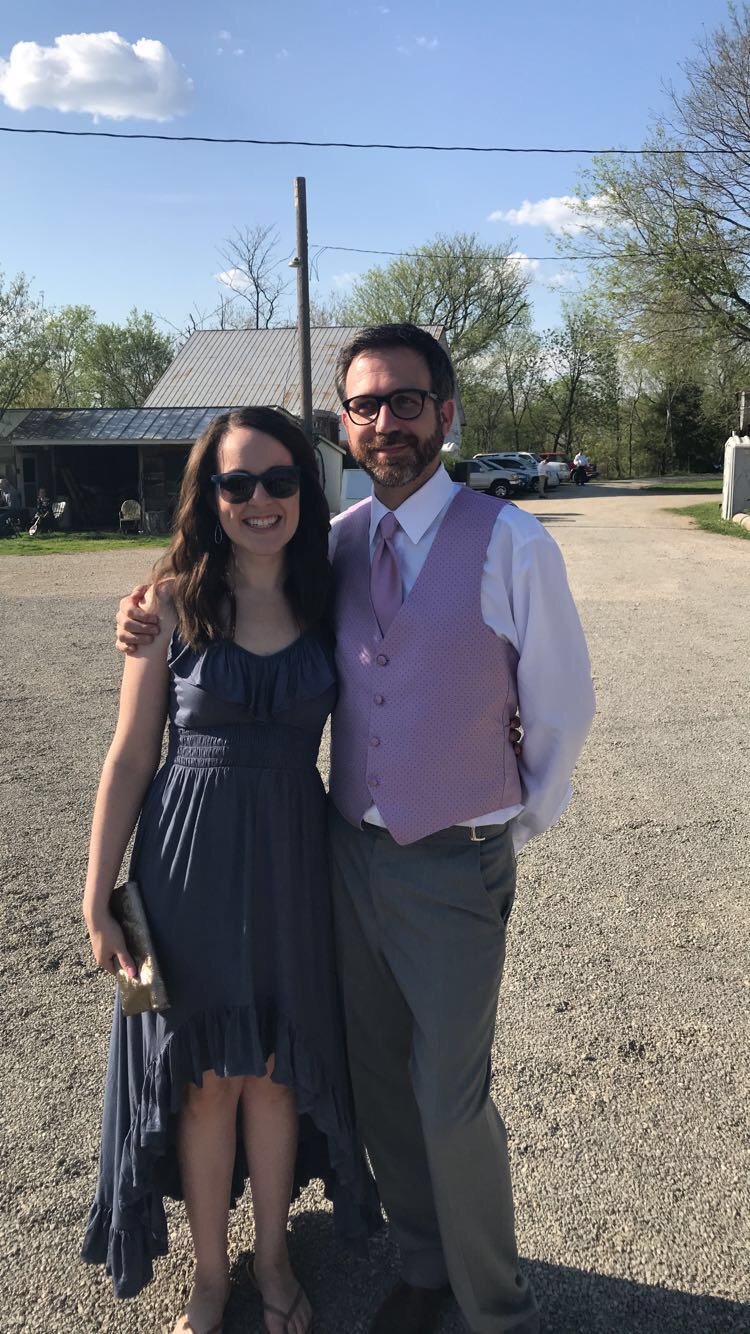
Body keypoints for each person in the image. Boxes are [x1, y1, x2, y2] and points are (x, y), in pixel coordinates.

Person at [117, 324, 595, 1334]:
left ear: (445, 413)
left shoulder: (512, 542)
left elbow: (561, 708)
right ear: (346, 424)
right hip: (338, 857)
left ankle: (496, 1306)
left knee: (450, 1096)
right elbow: (223, 592)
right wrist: (144, 612)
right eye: (366, 405)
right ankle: (421, 1263)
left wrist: (503, 822)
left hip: (453, 859)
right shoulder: (328, 545)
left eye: (405, 401)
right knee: (377, 1082)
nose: (386, 422)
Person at [83, 407, 379, 1334]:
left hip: (296, 860)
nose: (260, 500)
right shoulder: (168, 603)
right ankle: (212, 1278)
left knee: (281, 1069)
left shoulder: (333, 591)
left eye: (279, 480)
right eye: (237, 482)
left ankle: (275, 1259)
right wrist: (97, 896)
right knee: (206, 1076)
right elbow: (131, 756)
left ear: (305, 491)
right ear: (208, 497)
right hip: (186, 865)